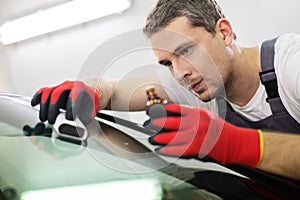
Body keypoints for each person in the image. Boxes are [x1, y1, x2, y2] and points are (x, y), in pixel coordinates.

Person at [30, 0, 300, 181]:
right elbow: (112, 90)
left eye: (186, 50)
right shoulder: (192, 83)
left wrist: (234, 143)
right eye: (167, 62)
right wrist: (89, 90)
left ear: (225, 32)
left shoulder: (292, 64)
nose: (180, 72)